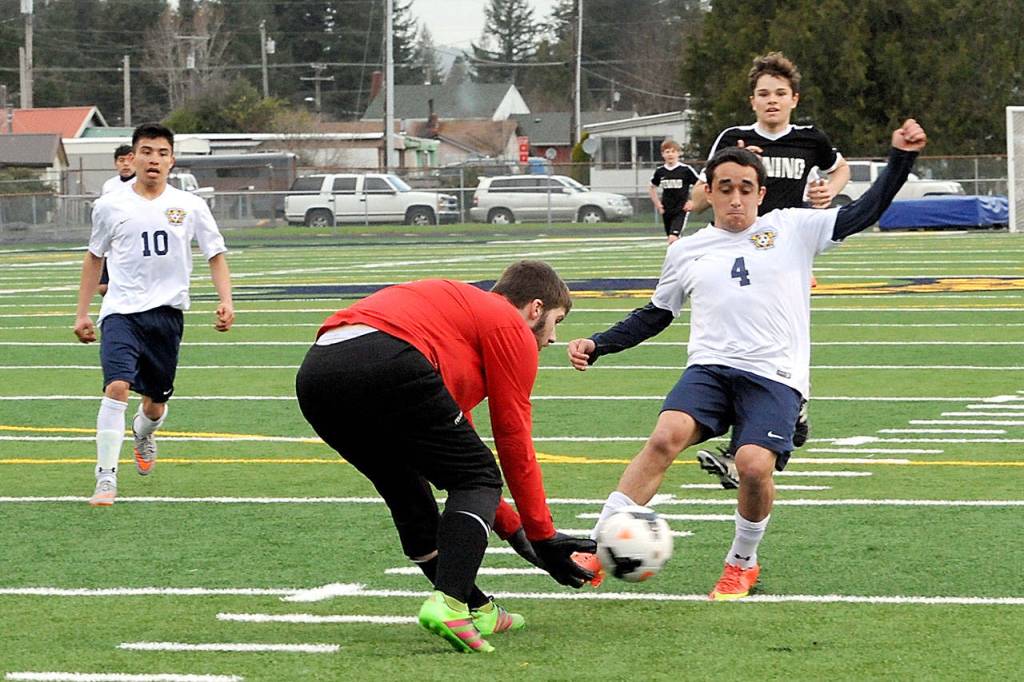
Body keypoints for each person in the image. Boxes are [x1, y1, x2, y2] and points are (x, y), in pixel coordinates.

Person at [568, 120, 927, 600]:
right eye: (725, 188)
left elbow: (865, 210)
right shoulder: (688, 251)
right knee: (664, 437)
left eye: (745, 188)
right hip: (710, 369)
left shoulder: (793, 228)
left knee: (754, 465)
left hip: (774, 375)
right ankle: (598, 542)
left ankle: (742, 563)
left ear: (761, 193)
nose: (736, 198)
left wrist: (900, 158)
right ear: (709, 193)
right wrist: (599, 343)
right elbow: (656, 314)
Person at [295, 261, 596, 653]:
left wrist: (516, 532)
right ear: (535, 309)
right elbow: (511, 437)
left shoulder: (461, 320)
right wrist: (541, 534)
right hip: (387, 357)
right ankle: (450, 602)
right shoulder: (509, 324)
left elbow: (459, 447)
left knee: (406, 488)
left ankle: (477, 607)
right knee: (479, 476)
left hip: (317, 372)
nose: (553, 338)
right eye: (557, 321)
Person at [688, 51, 851, 488]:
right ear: (752, 100)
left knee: (779, 334)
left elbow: (841, 169)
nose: (772, 100)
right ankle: (751, 437)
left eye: (780, 93)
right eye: (764, 94)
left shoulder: (811, 139)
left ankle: (784, 405)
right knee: (734, 337)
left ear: (794, 99)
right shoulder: (734, 138)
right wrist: (731, 170)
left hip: (785, 248)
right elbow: (701, 195)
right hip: (735, 248)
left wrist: (827, 193)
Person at [73, 123, 234, 507]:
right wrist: (82, 312)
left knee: (156, 403)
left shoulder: (190, 205)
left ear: (172, 160)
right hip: (121, 313)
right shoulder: (111, 205)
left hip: (166, 316)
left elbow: (215, 254)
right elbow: (94, 257)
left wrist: (226, 300)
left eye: (162, 153)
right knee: (117, 387)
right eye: (147, 152)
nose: (154, 160)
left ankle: (144, 432)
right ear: (133, 157)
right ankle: (105, 478)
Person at [97, 144, 137, 295]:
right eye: (121, 160)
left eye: (130, 160)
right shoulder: (109, 185)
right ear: (115, 163)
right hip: (113, 240)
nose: (126, 164)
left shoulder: (141, 182)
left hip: (134, 241)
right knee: (103, 288)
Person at [648, 139, 699, 244]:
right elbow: (652, 187)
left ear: (678, 153)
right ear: (663, 154)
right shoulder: (660, 171)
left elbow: (700, 185)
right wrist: (658, 205)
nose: (670, 154)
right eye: (667, 152)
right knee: (673, 240)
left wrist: (693, 201)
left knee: (673, 238)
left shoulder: (685, 170)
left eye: (673, 151)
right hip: (667, 209)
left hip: (681, 209)